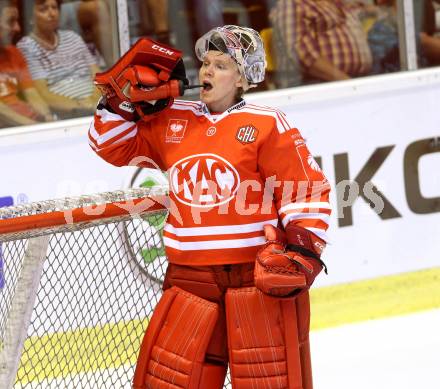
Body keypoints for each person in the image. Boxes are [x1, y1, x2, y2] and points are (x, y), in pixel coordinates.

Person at [90, 25, 331, 388]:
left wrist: (302, 245)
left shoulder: (266, 123)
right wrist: (118, 103)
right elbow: (109, 145)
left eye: (221, 65)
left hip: (252, 276)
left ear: (243, 79)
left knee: (267, 381)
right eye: (205, 62)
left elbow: (305, 189)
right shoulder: (171, 117)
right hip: (189, 278)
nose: (207, 71)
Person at [17, 0, 101, 119]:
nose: (51, 13)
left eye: (54, 8)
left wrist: (95, 101)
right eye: (43, 9)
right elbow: (43, 93)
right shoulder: (26, 46)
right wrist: (80, 107)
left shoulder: (73, 37)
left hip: (98, 104)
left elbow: (98, 75)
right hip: (68, 114)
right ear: (31, 17)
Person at [275, 0, 373, 83]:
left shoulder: (338, 4)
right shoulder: (292, 4)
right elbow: (300, 53)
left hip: (356, 82)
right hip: (318, 85)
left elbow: (367, 11)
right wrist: (346, 82)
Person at [0, 0, 53, 127]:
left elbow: (31, 93)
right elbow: (2, 112)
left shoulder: (14, 53)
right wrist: (34, 127)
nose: (17, 28)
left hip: (30, 123)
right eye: (10, 21)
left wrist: (48, 117)